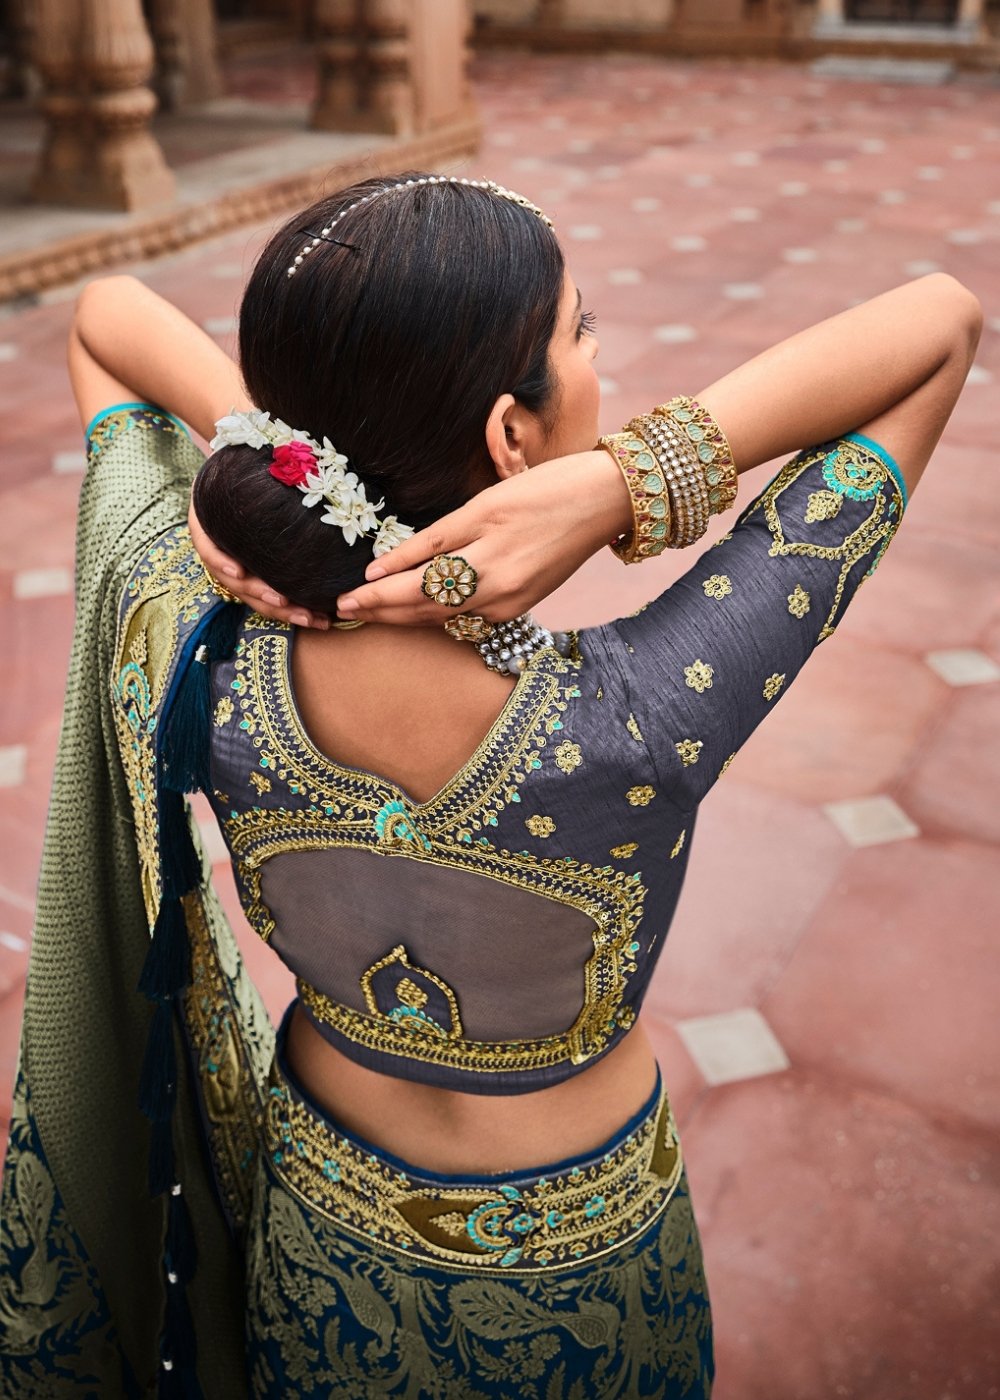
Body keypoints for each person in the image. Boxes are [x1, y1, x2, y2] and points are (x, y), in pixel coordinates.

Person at [0, 172, 980, 1399]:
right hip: (585, 1272)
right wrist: (629, 480)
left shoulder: (192, 636)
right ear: (513, 436)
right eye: (580, 331)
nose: (594, 351)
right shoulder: (645, 712)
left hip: (320, 1241)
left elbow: (104, 316)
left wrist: (280, 459)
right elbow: (939, 322)